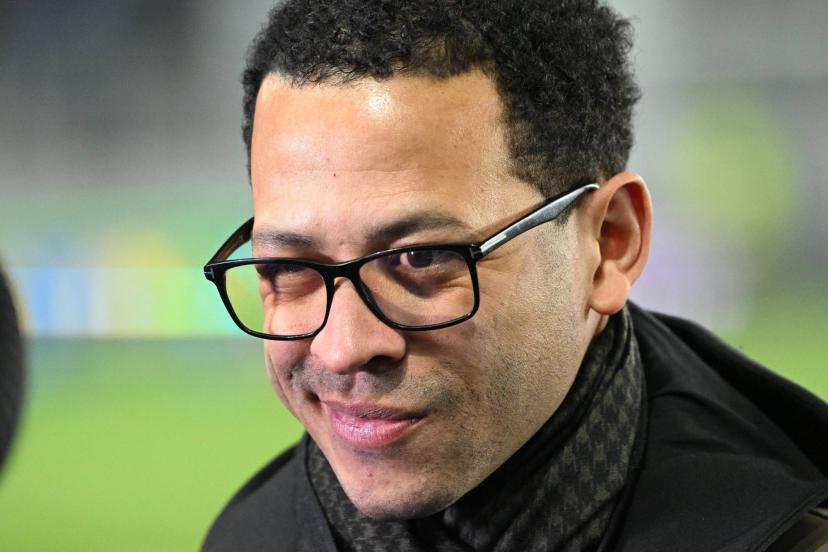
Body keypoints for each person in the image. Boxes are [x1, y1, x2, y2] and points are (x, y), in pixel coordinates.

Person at [201, 1, 828, 550]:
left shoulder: (788, 534)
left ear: (609, 244)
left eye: (421, 259)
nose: (342, 349)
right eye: (290, 267)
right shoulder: (247, 539)